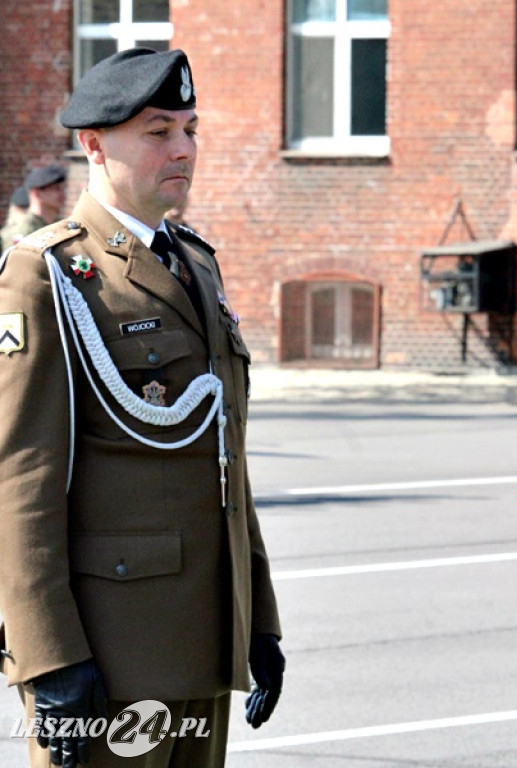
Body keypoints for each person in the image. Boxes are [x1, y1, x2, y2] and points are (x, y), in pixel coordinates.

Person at [0, 48, 283, 767]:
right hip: (110, 657)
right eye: (158, 131)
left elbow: (227, 456)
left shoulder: (196, 262)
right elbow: (20, 483)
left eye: (191, 128)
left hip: (204, 643)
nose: (184, 148)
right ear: (94, 146)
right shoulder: (51, 274)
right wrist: (49, 658)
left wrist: (261, 623)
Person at [0, 164, 67, 252]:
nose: (62, 194)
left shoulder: (61, 226)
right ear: (37, 193)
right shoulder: (23, 231)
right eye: (56, 189)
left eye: (62, 188)